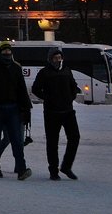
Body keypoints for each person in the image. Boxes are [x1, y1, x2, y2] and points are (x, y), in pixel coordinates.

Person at [0, 40, 33, 180]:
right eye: (4, 51)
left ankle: (21, 169)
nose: (7, 53)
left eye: (8, 51)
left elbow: (21, 89)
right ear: (0, 53)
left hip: (13, 109)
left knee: (16, 140)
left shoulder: (16, 68)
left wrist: (26, 109)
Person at [31, 47, 81, 180]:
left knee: (75, 138)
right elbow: (35, 89)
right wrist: (48, 98)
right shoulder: (44, 72)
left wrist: (72, 95)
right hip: (51, 113)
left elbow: (73, 85)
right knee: (52, 142)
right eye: (55, 58)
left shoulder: (66, 70)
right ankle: (53, 170)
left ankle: (66, 166)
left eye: (59, 57)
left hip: (68, 111)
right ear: (50, 59)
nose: (58, 60)